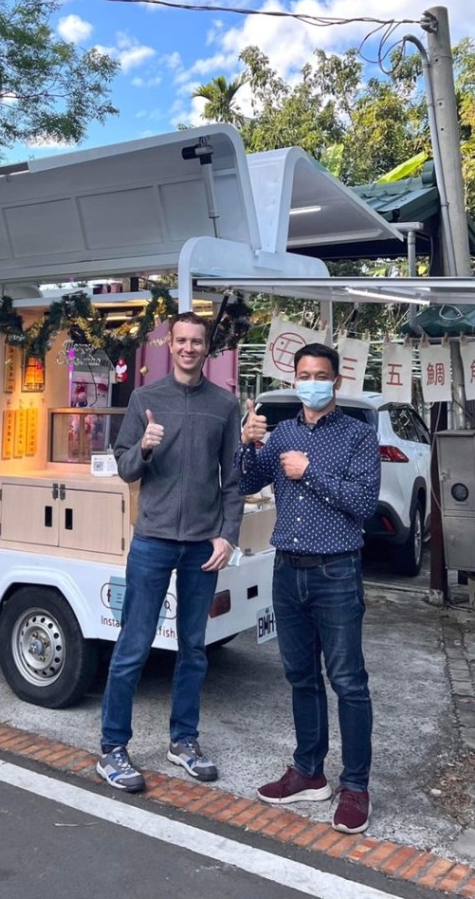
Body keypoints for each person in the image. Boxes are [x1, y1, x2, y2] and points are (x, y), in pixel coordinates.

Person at [96, 311, 243, 794]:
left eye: (196, 341)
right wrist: (144, 445)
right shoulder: (144, 398)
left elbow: (233, 481)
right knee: (133, 646)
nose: (188, 348)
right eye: (181, 340)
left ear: (207, 347)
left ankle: (184, 741)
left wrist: (228, 536)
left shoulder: (224, 405)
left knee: (194, 649)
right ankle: (113, 748)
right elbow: (124, 469)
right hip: (153, 541)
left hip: (202, 544)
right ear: (170, 345)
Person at [239, 342, 380, 835]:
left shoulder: (358, 437)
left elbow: (364, 503)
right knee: (300, 676)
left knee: (348, 681)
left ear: (337, 381)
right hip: (287, 571)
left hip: (336, 573)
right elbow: (245, 481)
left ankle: (356, 786)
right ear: (294, 378)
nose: (312, 381)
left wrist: (310, 473)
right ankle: (308, 771)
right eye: (304, 374)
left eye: (321, 374)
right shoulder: (281, 437)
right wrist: (249, 442)